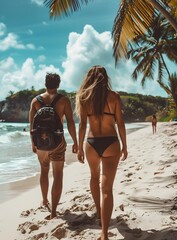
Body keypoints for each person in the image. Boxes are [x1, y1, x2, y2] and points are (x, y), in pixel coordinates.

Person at [75, 65, 128, 240]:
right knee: (107, 189)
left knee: (93, 177)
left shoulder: (84, 97)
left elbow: (82, 125)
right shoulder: (114, 97)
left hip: (91, 143)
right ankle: (104, 233)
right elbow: (120, 124)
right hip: (111, 142)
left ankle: (99, 211)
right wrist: (124, 145)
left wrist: (79, 146)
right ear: (106, 78)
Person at [29, 73, 78, 219]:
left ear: (45, 83)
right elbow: (70, 122)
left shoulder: (35, 101)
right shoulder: (63, 100)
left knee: (44, 170)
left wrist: (33, 143)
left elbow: (31, 125)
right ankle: (54, 211)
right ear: (58, 84)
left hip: (41, 144)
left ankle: (45, 200)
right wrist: (75, 142)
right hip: (57, 142)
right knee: (58, 175)